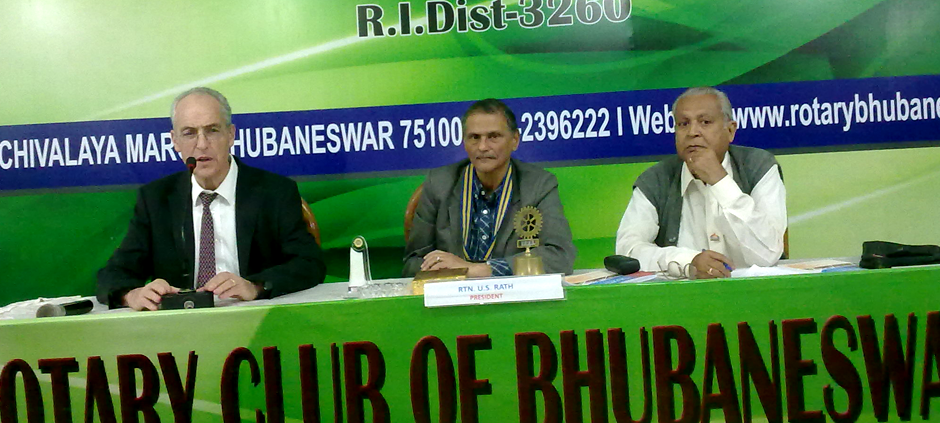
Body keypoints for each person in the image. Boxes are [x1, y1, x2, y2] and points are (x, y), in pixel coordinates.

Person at [97, 87, 325, 310]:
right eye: (189, 133)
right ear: (175, 140)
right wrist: (131, 295)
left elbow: (308, 263)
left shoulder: (275, 192)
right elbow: (113, 274)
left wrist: (255, 287)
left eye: (212, 130)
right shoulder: (157, 199)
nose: (202, 144)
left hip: (254, 317)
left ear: (231, 135)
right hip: (180, 326)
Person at [615, 87, 787, 278]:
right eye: (683, 124)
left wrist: (720, 180)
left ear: (730, 130)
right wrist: (688, 261)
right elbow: (627, 250)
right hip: (684, 294)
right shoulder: (656, 179)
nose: (692, 132)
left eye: (705, 122)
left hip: (754, 292)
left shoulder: (759, 166)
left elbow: (769, 253)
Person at [403, 98, 576, 277]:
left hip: (514, 293)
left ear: (515, 140)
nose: (483, 147)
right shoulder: (439, 184)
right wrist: (441, 267)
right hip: (455, 292)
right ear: (464, 142)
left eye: (493, 137)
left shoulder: (538, 185)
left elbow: (560, 257)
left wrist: (477, 270)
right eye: (474, 137)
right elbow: (412, 263)